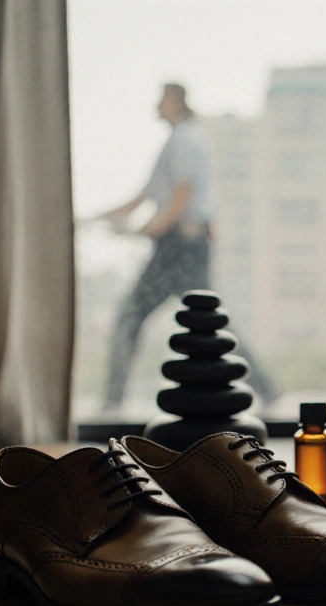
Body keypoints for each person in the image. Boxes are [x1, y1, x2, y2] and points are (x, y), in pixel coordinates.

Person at [99, 83, 216, 411]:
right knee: (209, 321)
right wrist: (100, 218)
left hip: (180, 244)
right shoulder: (177, 141)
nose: (157, 105)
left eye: (162, 99)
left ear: (176, 100)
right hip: (184, 243)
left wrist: (156, 227)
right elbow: (144, 196)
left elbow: (184, 192)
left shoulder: (185, 139)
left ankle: (111, 404)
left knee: (130, 316)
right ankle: (268, 388)